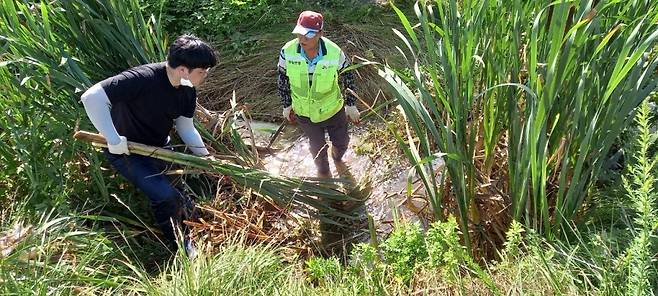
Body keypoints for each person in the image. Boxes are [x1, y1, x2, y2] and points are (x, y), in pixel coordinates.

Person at [80, 35, 217, 257]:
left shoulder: (187, 90)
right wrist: (113, 139)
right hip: (128, 152)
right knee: (165, 196)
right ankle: (181, 246)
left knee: (179, 191)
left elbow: (186, 128)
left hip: (160, 147)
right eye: (202, 71)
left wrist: (206, 158)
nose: (205, 76)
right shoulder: (142, 78)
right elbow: (91, 97)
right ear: (183, 69)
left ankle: (190, 219)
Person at [277, 10, 360, 179]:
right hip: (305, 113)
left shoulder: (334, 52)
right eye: (299, 34)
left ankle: (337, 158)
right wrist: (286, 105)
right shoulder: (288, 51)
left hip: (333, 110)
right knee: (317, 149)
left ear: (320, 34)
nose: (302, 40)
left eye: (307, 35)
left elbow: (348, 76)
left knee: (342, 143)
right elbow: (282, 78)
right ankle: (324, 176)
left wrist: (351, 105)